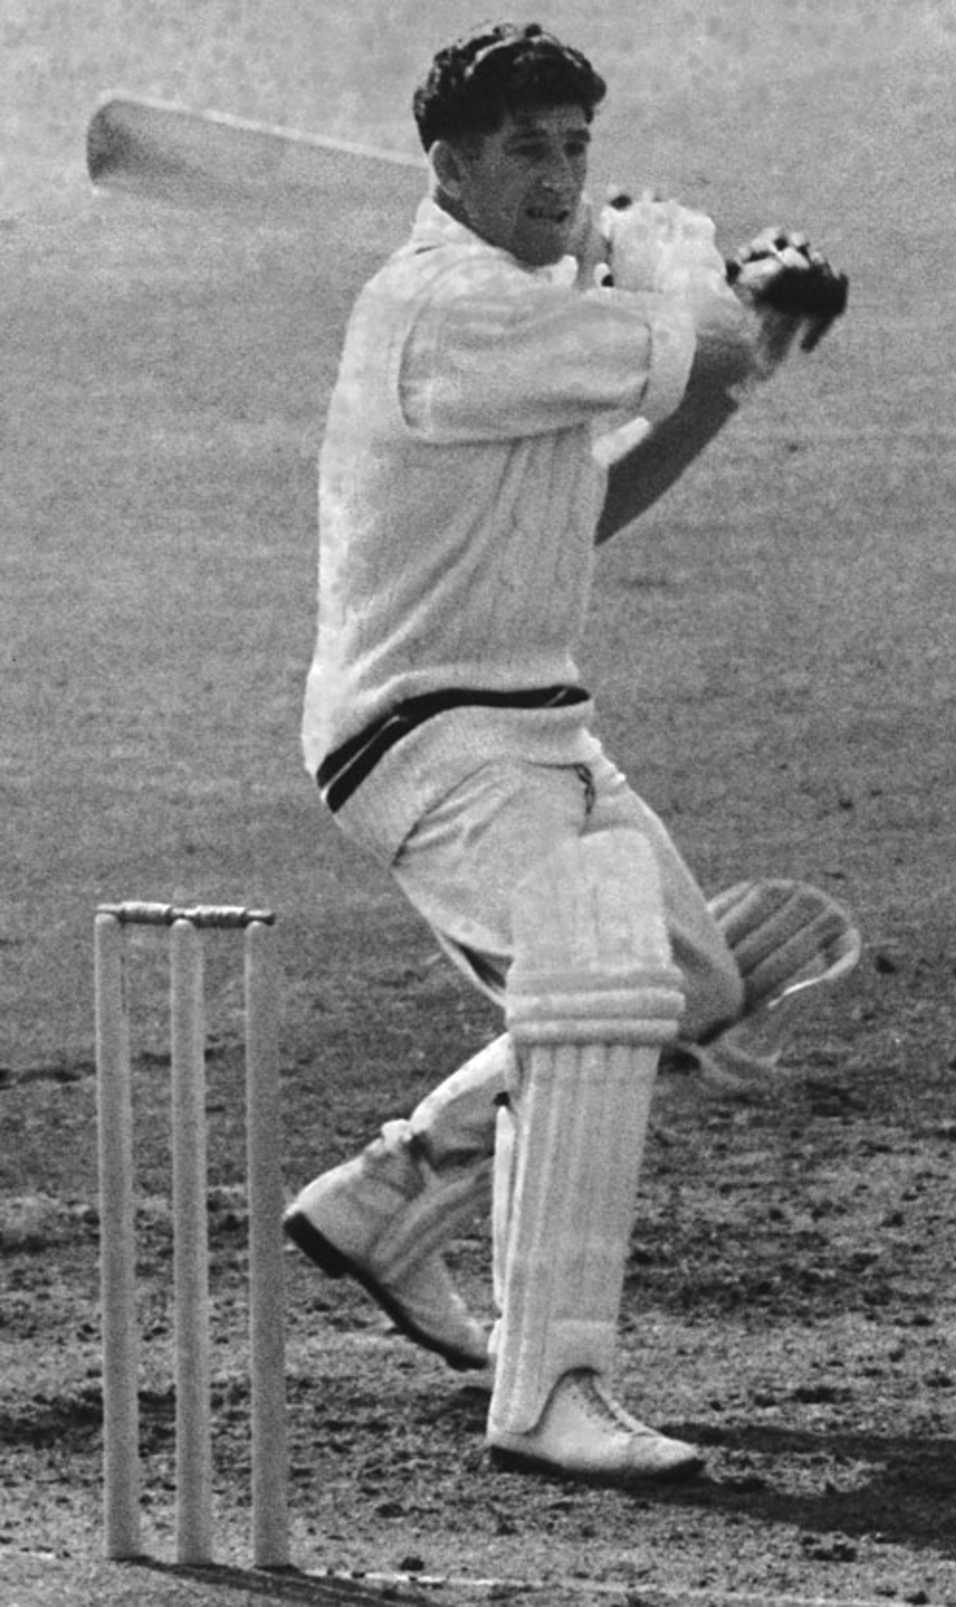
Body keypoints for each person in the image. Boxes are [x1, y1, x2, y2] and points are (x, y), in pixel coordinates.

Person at [285, 21, 857, 1484]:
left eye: (576, 148)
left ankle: (394, 1193)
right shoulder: (447, 305)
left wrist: (739, 347)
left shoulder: (525, 315)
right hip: (426, 735)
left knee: (693, 989)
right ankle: (550, 1393)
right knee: (602, 997)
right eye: (527, 148)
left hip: (529, 722)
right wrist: (684, 267)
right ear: (452, 167)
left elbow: (590, 500)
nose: (558, 175)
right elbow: (671, 345)